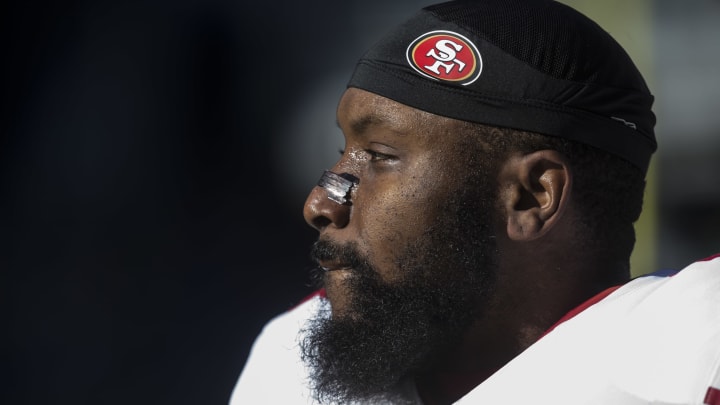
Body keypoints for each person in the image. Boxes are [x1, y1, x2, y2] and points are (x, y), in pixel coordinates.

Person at [230, 0, 720, 404]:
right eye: (344, 154)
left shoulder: (685, 351)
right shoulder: (288, 361)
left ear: (531, 197)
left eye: (379, 157)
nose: (321, 202)